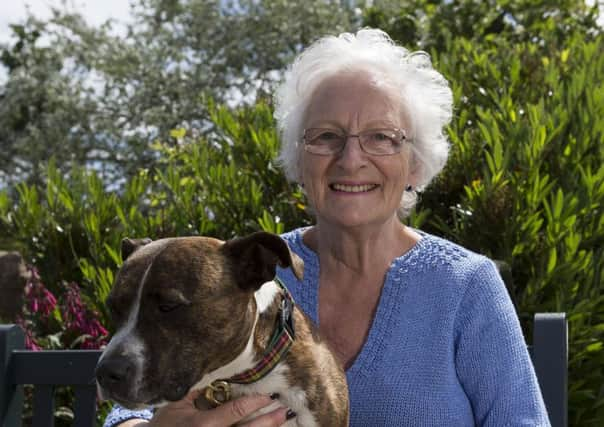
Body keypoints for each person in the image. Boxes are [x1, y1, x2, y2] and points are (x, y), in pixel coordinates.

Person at [104, 28, 550, 426]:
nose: (351, 159)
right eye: (326, 137)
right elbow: (129, 405)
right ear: (299, 160)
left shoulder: (464, 285)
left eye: (381, 137)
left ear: (415, 163)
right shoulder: (250, 275)